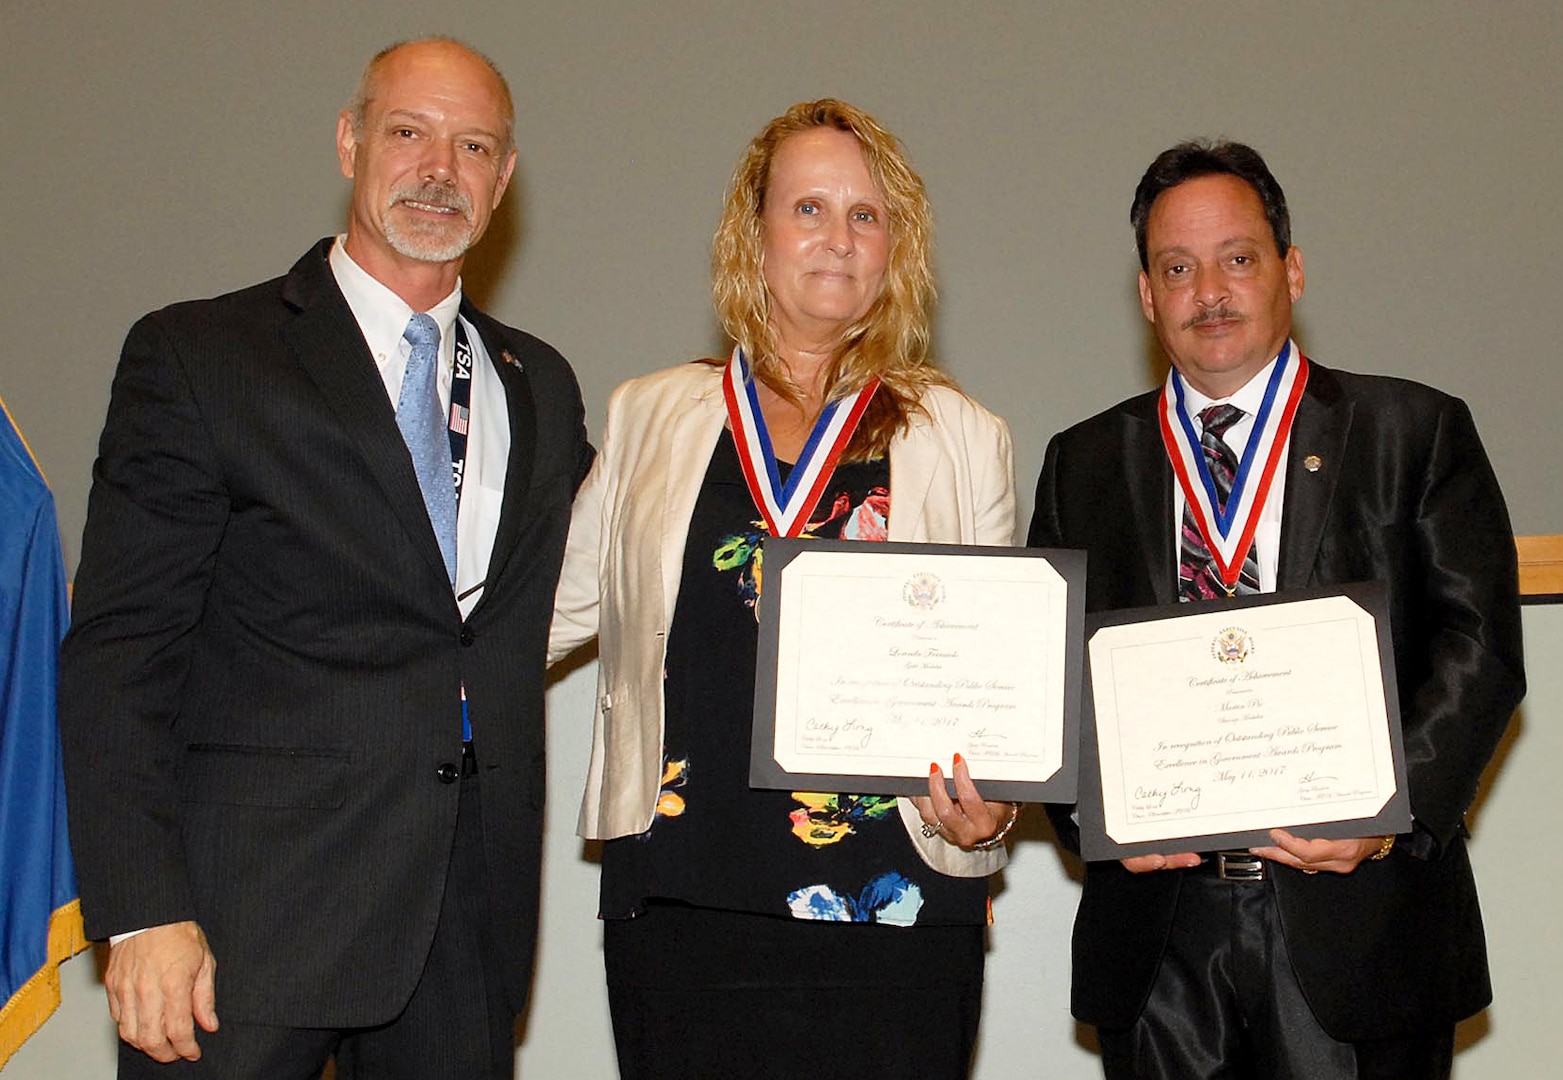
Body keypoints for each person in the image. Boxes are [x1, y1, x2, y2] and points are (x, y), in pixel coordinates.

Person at [58, 38, 592, 1079]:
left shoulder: (543, 385)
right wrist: (138, 911)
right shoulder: (201, 357)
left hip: (464, 932)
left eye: (473, 144)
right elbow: (120, 654)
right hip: (241, 930)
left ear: (504, 178)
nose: (440, 168)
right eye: (409, 132)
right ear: (350, 143)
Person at [1030, 140, 1525, 1079]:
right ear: (1146, 294)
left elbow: (1480, 647)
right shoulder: (1082, 463)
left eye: (1238, 258)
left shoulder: (1412, 432)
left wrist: (1387, 813)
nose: (1208, 290)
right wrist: (1099, 813)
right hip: (1159, 940)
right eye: (1177, 268)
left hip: (1358, 927)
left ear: (1291, 270)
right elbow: (1050, 681)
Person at [548, 98, 1018, 1078]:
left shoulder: (965, 435)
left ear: (898, 243)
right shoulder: (652, 416)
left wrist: (997, 808)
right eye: (808, 209)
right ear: (754, 235)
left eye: (865, 213)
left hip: (899, 900)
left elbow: (998, 687)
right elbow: (542, 614)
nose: (837, 238)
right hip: (682, 896)